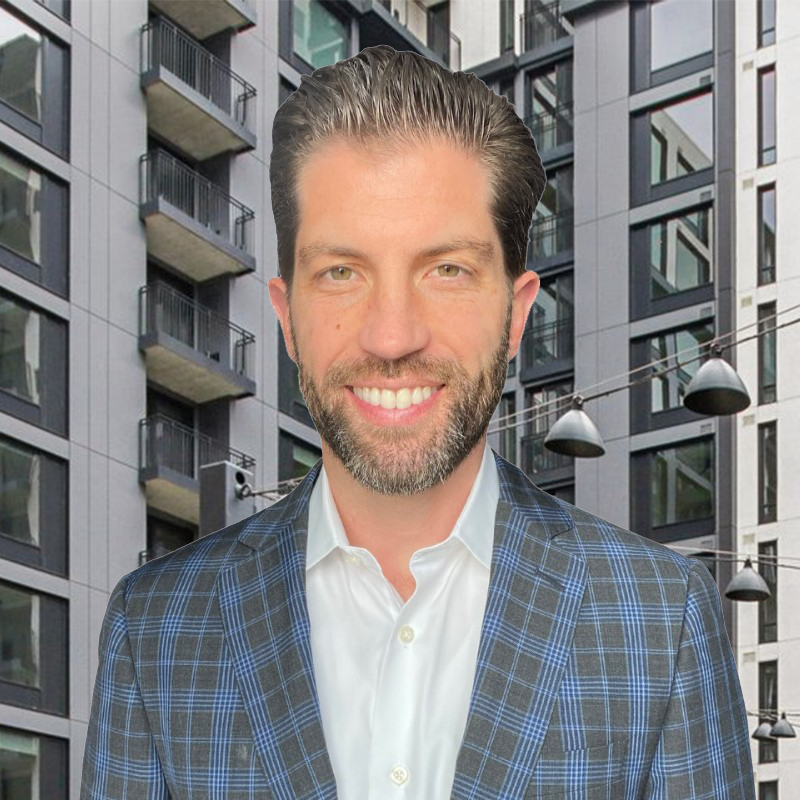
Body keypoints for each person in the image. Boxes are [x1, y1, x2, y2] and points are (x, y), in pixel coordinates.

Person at [80, 44, 755, 799]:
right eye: (342, 273)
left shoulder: (662, 619)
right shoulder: (155, 627)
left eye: (447, 271)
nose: (392, 336)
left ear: (515, 315)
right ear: (287, 316)